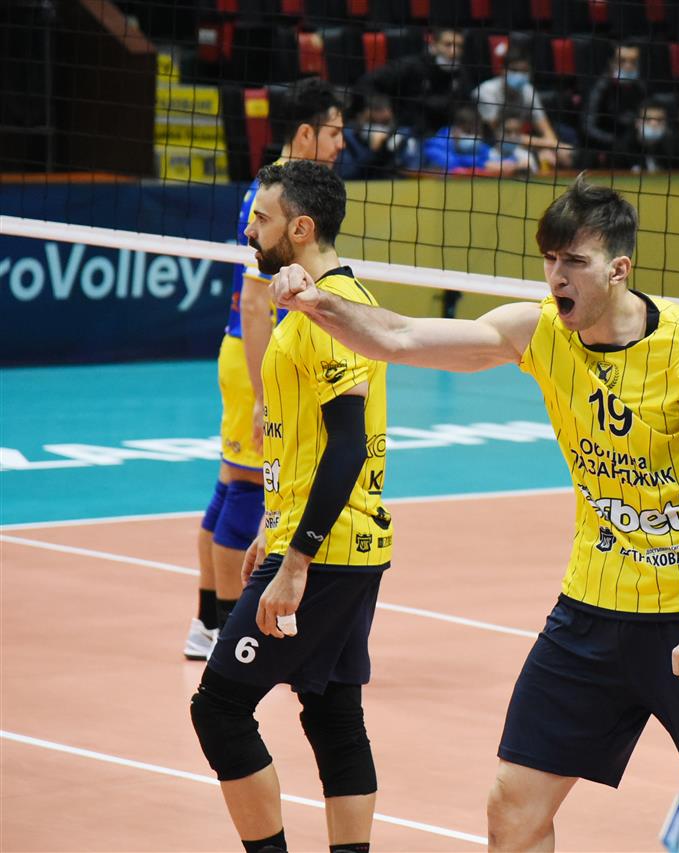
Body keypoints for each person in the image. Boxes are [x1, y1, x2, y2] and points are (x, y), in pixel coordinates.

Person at [268, 176, 679, 850]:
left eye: (574, 262)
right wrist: (317, 301)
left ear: (619, 270)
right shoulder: (539, 330)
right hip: (592, 609)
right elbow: (401, 337)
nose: (556, 277)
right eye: (550, 259)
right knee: (513, 807)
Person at [189, 159, 393, 853]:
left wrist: (296, 557)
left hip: (326, 550)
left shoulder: (329, 311)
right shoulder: (315, 303)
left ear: (301, 228)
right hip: (328, 538)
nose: (249, 229)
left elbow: (348, 445)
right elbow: (310, 441)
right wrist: (273, 528)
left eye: (262, 218)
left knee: (219, 708)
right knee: (334, 714)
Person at [185, 77, 345, 661]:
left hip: (247, 357)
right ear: (305, 133)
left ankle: (206, 621)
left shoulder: (282, 186)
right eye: (334, 132)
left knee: (232, 482)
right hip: (251, 357)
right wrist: (262, 396)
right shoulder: (272, 196)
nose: (341, 144)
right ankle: (229, 630)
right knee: (250, 488)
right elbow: (256, 305)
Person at [356, 25, 474, 137]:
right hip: (407, 131)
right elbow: (367, 82)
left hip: (446, 136)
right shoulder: (410, 66)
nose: (453, 52)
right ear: (434, 45)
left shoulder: (461, 74)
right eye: (448, 45)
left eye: (459, 46)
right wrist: (380, 106)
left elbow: (467, 106)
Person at [473, 40, 574, 170]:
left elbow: (545, 129)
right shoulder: (486, 92)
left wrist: (556, 150)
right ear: (503, 70)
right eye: (515, 70)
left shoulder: (528, 91)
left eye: (524, 71)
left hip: (517, 146)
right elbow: (500, 135)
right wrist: (551, 145)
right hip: (487, 148)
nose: (520, 75)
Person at [582, 42, 648, 158]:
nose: (628, 66)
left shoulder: (641, 88)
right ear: (611, 63)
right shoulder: (600, 88)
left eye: (633, 62)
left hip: (636, 146)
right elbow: (588, 128)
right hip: (606, 148)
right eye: (622, 61)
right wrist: (616, 141)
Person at [337, 93, 415, 180]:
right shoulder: (347, 136)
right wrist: (373, 151)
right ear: (360, 115)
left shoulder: (399, 137)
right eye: (372, 123)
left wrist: (388, 149)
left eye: (385, 124)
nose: (379, 129)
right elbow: (346, 174)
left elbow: (411, 169)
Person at [612, 99, 679, 173]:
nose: (654, 124)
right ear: (637, 122)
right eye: (648, 119)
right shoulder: (621, 151)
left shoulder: (675, 149)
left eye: (660, 120)